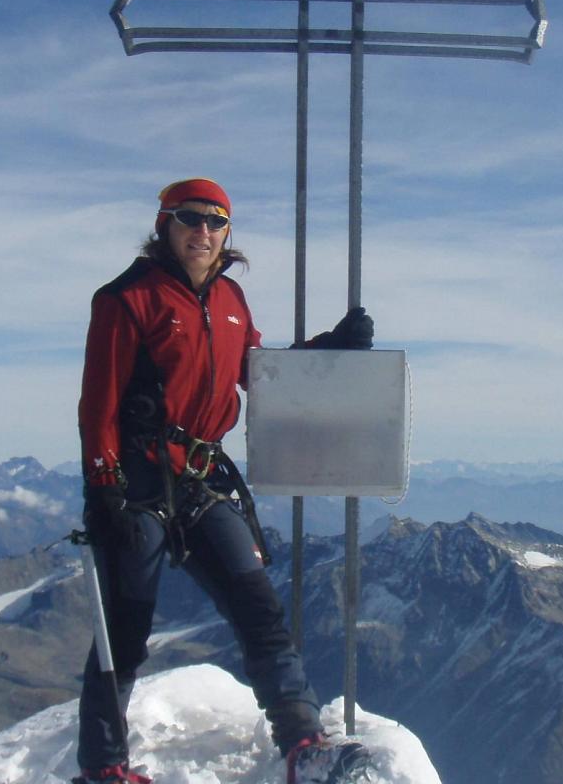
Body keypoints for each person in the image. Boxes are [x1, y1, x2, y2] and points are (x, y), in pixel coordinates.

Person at [74, 178, 376, 784]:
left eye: (216, 222)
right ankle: (104, 768)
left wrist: (329, 350)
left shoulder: (230, 298)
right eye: (190, 219)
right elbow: (98, 401)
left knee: (258, 607)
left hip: (201, 476)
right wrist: (104, 486)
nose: (203, 232)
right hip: (138, 480)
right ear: (165, 224)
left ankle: (303, 743)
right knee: (125, 630)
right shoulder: (127, 298)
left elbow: (257, 373)